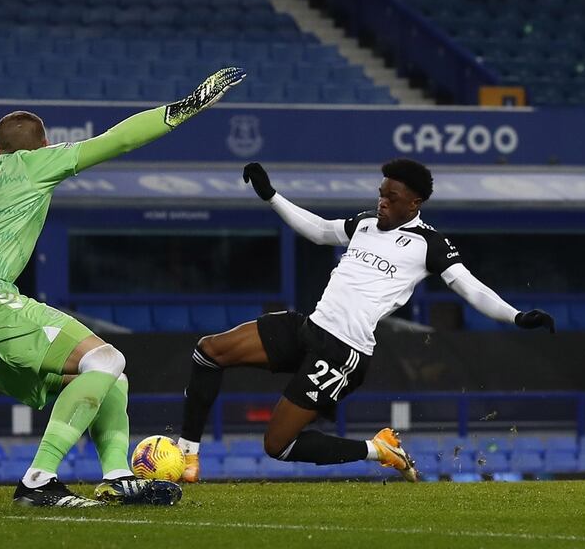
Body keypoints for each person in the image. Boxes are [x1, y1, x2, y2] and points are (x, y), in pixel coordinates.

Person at [0, 68, 246, 507]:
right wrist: (184, 108)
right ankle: (38, 480)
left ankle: (116, 476)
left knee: (111, 380)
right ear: (44, 146)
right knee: (107, 357)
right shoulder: (34, 163)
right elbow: (119, 139)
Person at [177, 160, 555, 482]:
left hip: (343, 351)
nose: (382, 202)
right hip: (310, 327)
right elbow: (322, 230)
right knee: (210, 351)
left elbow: (471, 289)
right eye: (381, 193)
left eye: (392, 197)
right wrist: (271, 196)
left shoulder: (430, 244)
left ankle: (379, 450)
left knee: (278, 445)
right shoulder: (364, 223)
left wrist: (516, 315)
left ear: (415, 203)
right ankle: (187, 455)